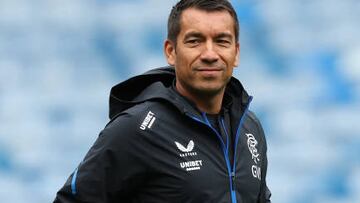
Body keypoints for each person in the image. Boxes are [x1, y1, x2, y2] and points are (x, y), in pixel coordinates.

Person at [54, 0, 271, 202]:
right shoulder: (137, 128)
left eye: (221, 41)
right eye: (195, 41)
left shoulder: (249, 128)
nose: (210, 54)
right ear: (171, 52)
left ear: (236, 53)